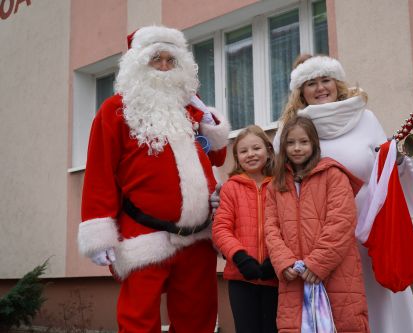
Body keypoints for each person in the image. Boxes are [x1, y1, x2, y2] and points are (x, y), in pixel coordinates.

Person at [77, 25, 230, 333]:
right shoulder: (115, 111)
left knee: (197, 320)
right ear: (137, 63)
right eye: (155, 59)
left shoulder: (189, 109)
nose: (162, 67)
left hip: (198, 238)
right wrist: (98, 231)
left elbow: (216, 157)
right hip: (143, 235)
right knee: (138, 321)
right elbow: (99, 173)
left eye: (169, 60)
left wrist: (211, 124)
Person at [274, 54, 413, 333]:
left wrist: (399, 158)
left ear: (337, 83)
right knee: (341, 308)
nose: (320, 88)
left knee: (379, 298)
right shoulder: (292, 128)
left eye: (325, 80)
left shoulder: (364, 118)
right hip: (321, 240)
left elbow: (385, 165)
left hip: (369, 229)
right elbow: (279, 182)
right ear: (301, 92)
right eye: (311, 83)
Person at [265, 116, 369, 332]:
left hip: (337, 271)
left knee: (344, 324)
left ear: (314, 143)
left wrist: (317, 263)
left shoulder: (333, 175)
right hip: (294, 277)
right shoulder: (277, 184)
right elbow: (270, 228)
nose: (297, 148)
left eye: (303, 142)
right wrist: (284, 262)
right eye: (291, 143)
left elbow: (341, 222)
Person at [212, 125, 279, 333]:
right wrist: (240, 258)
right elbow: (221, 229)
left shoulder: (280, 185)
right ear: (237, 157)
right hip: (241, 277)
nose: (250, 154)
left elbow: (288, 227)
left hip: (275, 276)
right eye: (243, 151)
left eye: (256, 148)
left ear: (268, 151)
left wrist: (276, 261)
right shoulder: (231, 187)